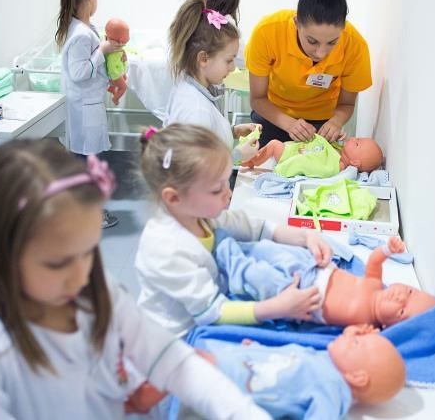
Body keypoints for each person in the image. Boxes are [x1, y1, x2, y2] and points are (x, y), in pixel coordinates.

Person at [0, 139, 269, 419]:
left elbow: (173, 362)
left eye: (89, 252)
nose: (80, 277)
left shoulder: (96, 290)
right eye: (57, 264)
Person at [135, 123, 333, 339]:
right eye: (216, 189)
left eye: (226, 182)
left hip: (212, 307)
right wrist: (279, 307)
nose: (228, 194)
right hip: (177, 338)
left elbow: (256, 228)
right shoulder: (166, 249)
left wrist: (305, 236)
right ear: (173, 198)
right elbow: (212, 311)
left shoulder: (200, 213)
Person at [245, 0, 372, 146]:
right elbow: (258, 98)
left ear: (343, 29)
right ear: (296, 23)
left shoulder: (355, 46)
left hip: (322, 125)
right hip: (273, 116)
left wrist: (336, 122)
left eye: (332, 42)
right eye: (312, 41)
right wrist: (289, 124)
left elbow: (347, 104)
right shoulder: (267, 32)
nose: (321, 53)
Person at [215, 234, 435, 327]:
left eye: (402, 310)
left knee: (260, 277)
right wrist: (387, 250)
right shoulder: (376, 285)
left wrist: (359, 335)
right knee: (269, 250)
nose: (400, 297)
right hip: (311, 265)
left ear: (389, 326)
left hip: (299, 295)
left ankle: (230, 259)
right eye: (410, 292)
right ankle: (239, 245)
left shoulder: (367, 325)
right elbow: (374, 263)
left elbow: (352, 344)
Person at [198, 324, 405, 418]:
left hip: (236, 382)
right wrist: (256, 348)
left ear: (357, 377)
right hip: (242, 362)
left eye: (357, 342)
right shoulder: (326, 360)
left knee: (192, 365)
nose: (349, 336)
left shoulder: (333, 390)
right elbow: (287, 356)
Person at [165, 0, 259, 166]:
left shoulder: (189, 88)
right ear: (204, 59)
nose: (233, 68)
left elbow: (204, 138)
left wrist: (233, 131)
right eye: (229, 60)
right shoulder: (196, 110)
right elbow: (197, 170)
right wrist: (238, 155)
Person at [56, 0, 119, 228]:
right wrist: (102, 50)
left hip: (86, 105)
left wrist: (107, 61)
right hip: (85, 109)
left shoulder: (80, 28)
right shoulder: (81, 34)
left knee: (85, 161)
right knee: (88, 163)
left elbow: (90, 68)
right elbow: (79, 72)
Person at [242, 134, 384, 178]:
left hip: (292, 157)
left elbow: (307, 165)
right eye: (358, 138)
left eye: (357, 143)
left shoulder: (334, 167)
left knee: (274, 145)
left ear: (355, 162)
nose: (353, 139)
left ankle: (254, 161)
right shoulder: (340, 152)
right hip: (297, 148)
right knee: (274, 145)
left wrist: (281, 169)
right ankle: (253, 158)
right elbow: (327, 147)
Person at [104, 18, 130, 105]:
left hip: (117, 71)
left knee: (125, 78)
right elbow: (111, 66)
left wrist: (123, 52)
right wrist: (115, 76)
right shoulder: (112, 50)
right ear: (122, 39)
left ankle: (111, 88)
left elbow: (120, 51)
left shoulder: (115, 46)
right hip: (114, 74)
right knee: (123, 87)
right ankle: (115, 99)